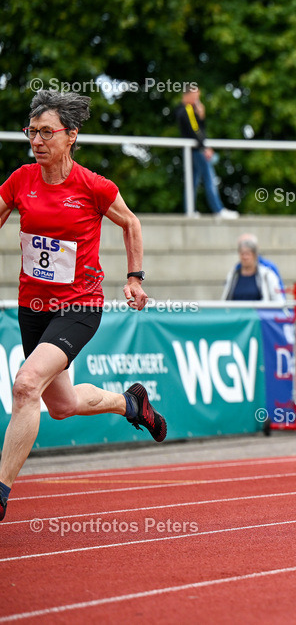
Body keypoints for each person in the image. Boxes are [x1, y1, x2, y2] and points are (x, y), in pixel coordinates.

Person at [0, 91, 167, 522]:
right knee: (61, 405)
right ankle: (131, 405)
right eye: (31, 132)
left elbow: (131, 222)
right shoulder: (20, 181)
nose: (36, 140)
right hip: (32, 307)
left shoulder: (92, 186)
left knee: (25, 385)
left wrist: (134, 278)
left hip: (79, 305)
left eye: (46, 132)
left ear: (71, 136)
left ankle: (0, 492)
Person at [175, 86, 238, 219]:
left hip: (194, 150)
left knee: (193, 181)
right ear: (188, 95)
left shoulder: (187, 110)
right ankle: (218, 210)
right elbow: (195, 131)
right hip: (197, 151)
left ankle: (190, 211)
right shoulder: (187, 110)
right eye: (196, 96)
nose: (197, 99)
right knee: (209, 178)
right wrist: (205, 148)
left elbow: (197, 129)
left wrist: (201, 116)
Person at [222, 234, 286, 302]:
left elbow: (279, 296)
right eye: (242, 254)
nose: (245, 257)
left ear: (255, 255)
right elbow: (226, 296)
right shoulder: (234, 273)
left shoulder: (267, 272)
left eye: (248, 254)